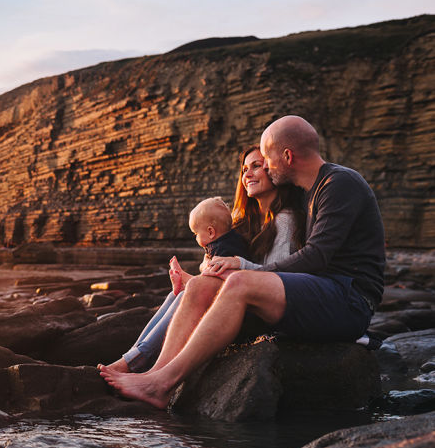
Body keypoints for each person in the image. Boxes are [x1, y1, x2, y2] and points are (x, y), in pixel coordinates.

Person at [100, 115, 384, 409]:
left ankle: (163, 383)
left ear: (287, 156)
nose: (267, 168)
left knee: (239, 281)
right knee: (201, 286)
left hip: (350, 299)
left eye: (268, 160)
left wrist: (247, 270)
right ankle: (153, 374)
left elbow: (316, 256)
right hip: (321, 292)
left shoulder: (339, 183)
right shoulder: (311, 193)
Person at [105, 147, 303, 373]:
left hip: (257, 311)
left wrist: (236, 264)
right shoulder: (245, 221)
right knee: (177, 293)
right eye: (244, 169)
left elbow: (278, 278)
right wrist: (198, 275)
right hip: (237, 299)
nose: (247, 174)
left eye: (256, 166)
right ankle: (133, 358)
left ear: (274, 171)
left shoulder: (285, 221)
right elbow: (214, 259)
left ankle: (138, 364)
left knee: (194, 289)